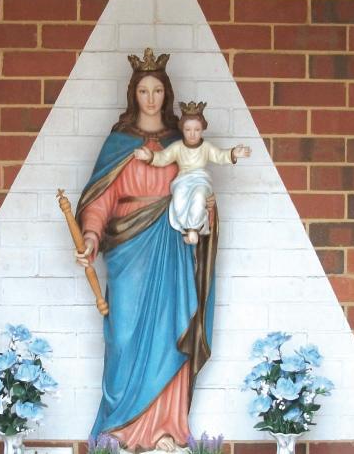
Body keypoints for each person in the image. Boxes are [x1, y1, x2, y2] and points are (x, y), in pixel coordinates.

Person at [74, 48, 218, 453]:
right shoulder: (118, 143)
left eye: (157, 90)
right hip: (127, 248)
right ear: (133, 94)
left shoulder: (180, 142)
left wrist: (207, 208)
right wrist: (90, 237)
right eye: (143, 90)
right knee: (122, 336)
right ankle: (119, 430)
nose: (151, 98)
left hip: (170, 244)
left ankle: (167, 428)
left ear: (166, 93)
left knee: (171, 331)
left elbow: (196, 188)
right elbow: (100, 200)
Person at [134, 101, 251, 246]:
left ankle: (194, 228)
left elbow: (220, 156)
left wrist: (233, 153)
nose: (192, 134)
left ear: (202, 129)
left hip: (201, 180)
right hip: (182, 180)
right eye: (188, 129)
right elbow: (163, 157)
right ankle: (185, 229)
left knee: (199, 197)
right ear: (182, 129)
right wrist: (150, 156)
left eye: (197, 130)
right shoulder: (177, 147)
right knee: (178, 200)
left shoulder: (206, 147)